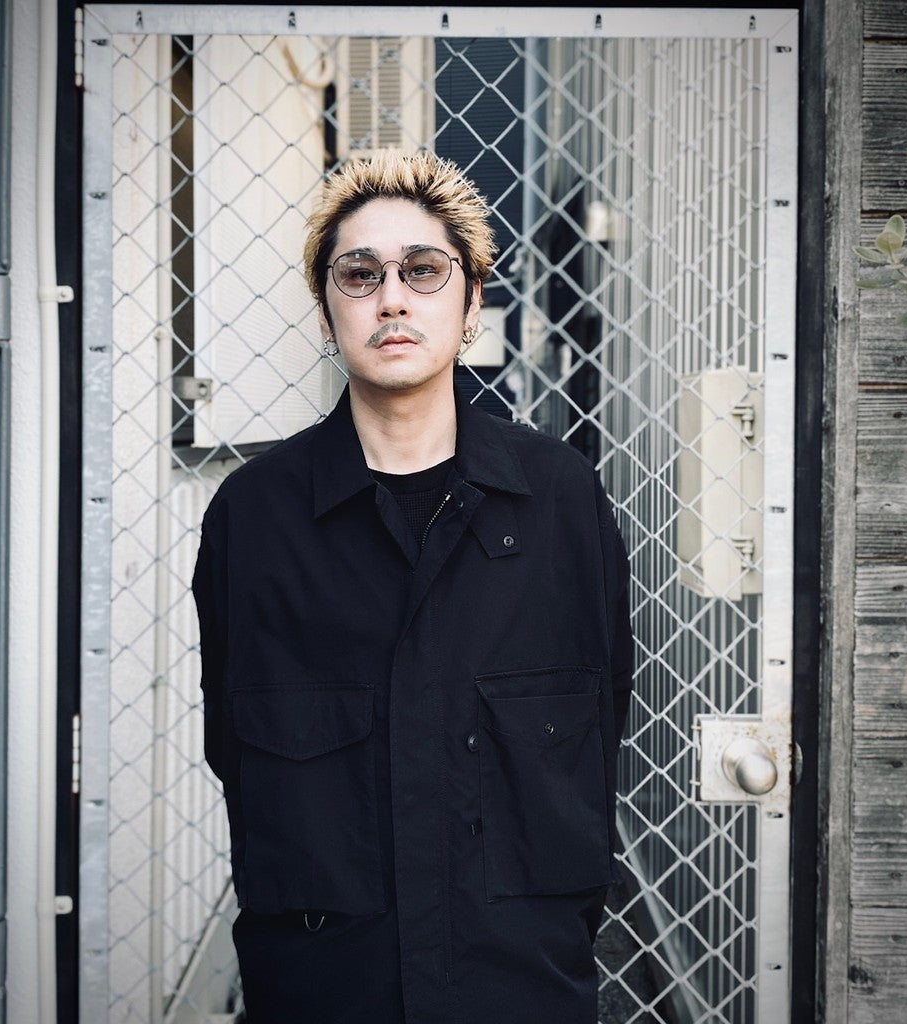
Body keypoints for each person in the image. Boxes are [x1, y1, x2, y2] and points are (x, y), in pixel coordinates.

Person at [192, 148, 634, 1024]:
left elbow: (598, 725)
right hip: (327, 984)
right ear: (327, 309)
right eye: (360, 274)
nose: (391, 298)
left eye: (424, 270)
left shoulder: (560, 498)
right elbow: (234, 748)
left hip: (519, 979)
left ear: (471, 304)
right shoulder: (256, 516)